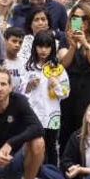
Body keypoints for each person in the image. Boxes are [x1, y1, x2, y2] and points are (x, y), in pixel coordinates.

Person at [59, 3, 90, 143]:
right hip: (68, 90)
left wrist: (85, 44)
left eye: (84, 18)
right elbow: (63, 64)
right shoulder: (65, 41)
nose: (80, 22)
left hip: (88, 90)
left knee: (86, 132)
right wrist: (73, 47)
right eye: (76, 18)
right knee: (66, 131)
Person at [26, 30, 68, 167]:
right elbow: (18, 91)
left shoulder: (58, 69)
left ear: (52, 48)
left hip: (52, 116)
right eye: (40, 46)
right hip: (32, 115)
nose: (43, 50)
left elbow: (66, 93)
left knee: (50, 147)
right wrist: (29, 85)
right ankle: (33, 176)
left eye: (47, 47)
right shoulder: (28, 67)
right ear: (34, 47)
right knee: (32, 146)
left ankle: (51, 177)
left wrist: (56, 85)